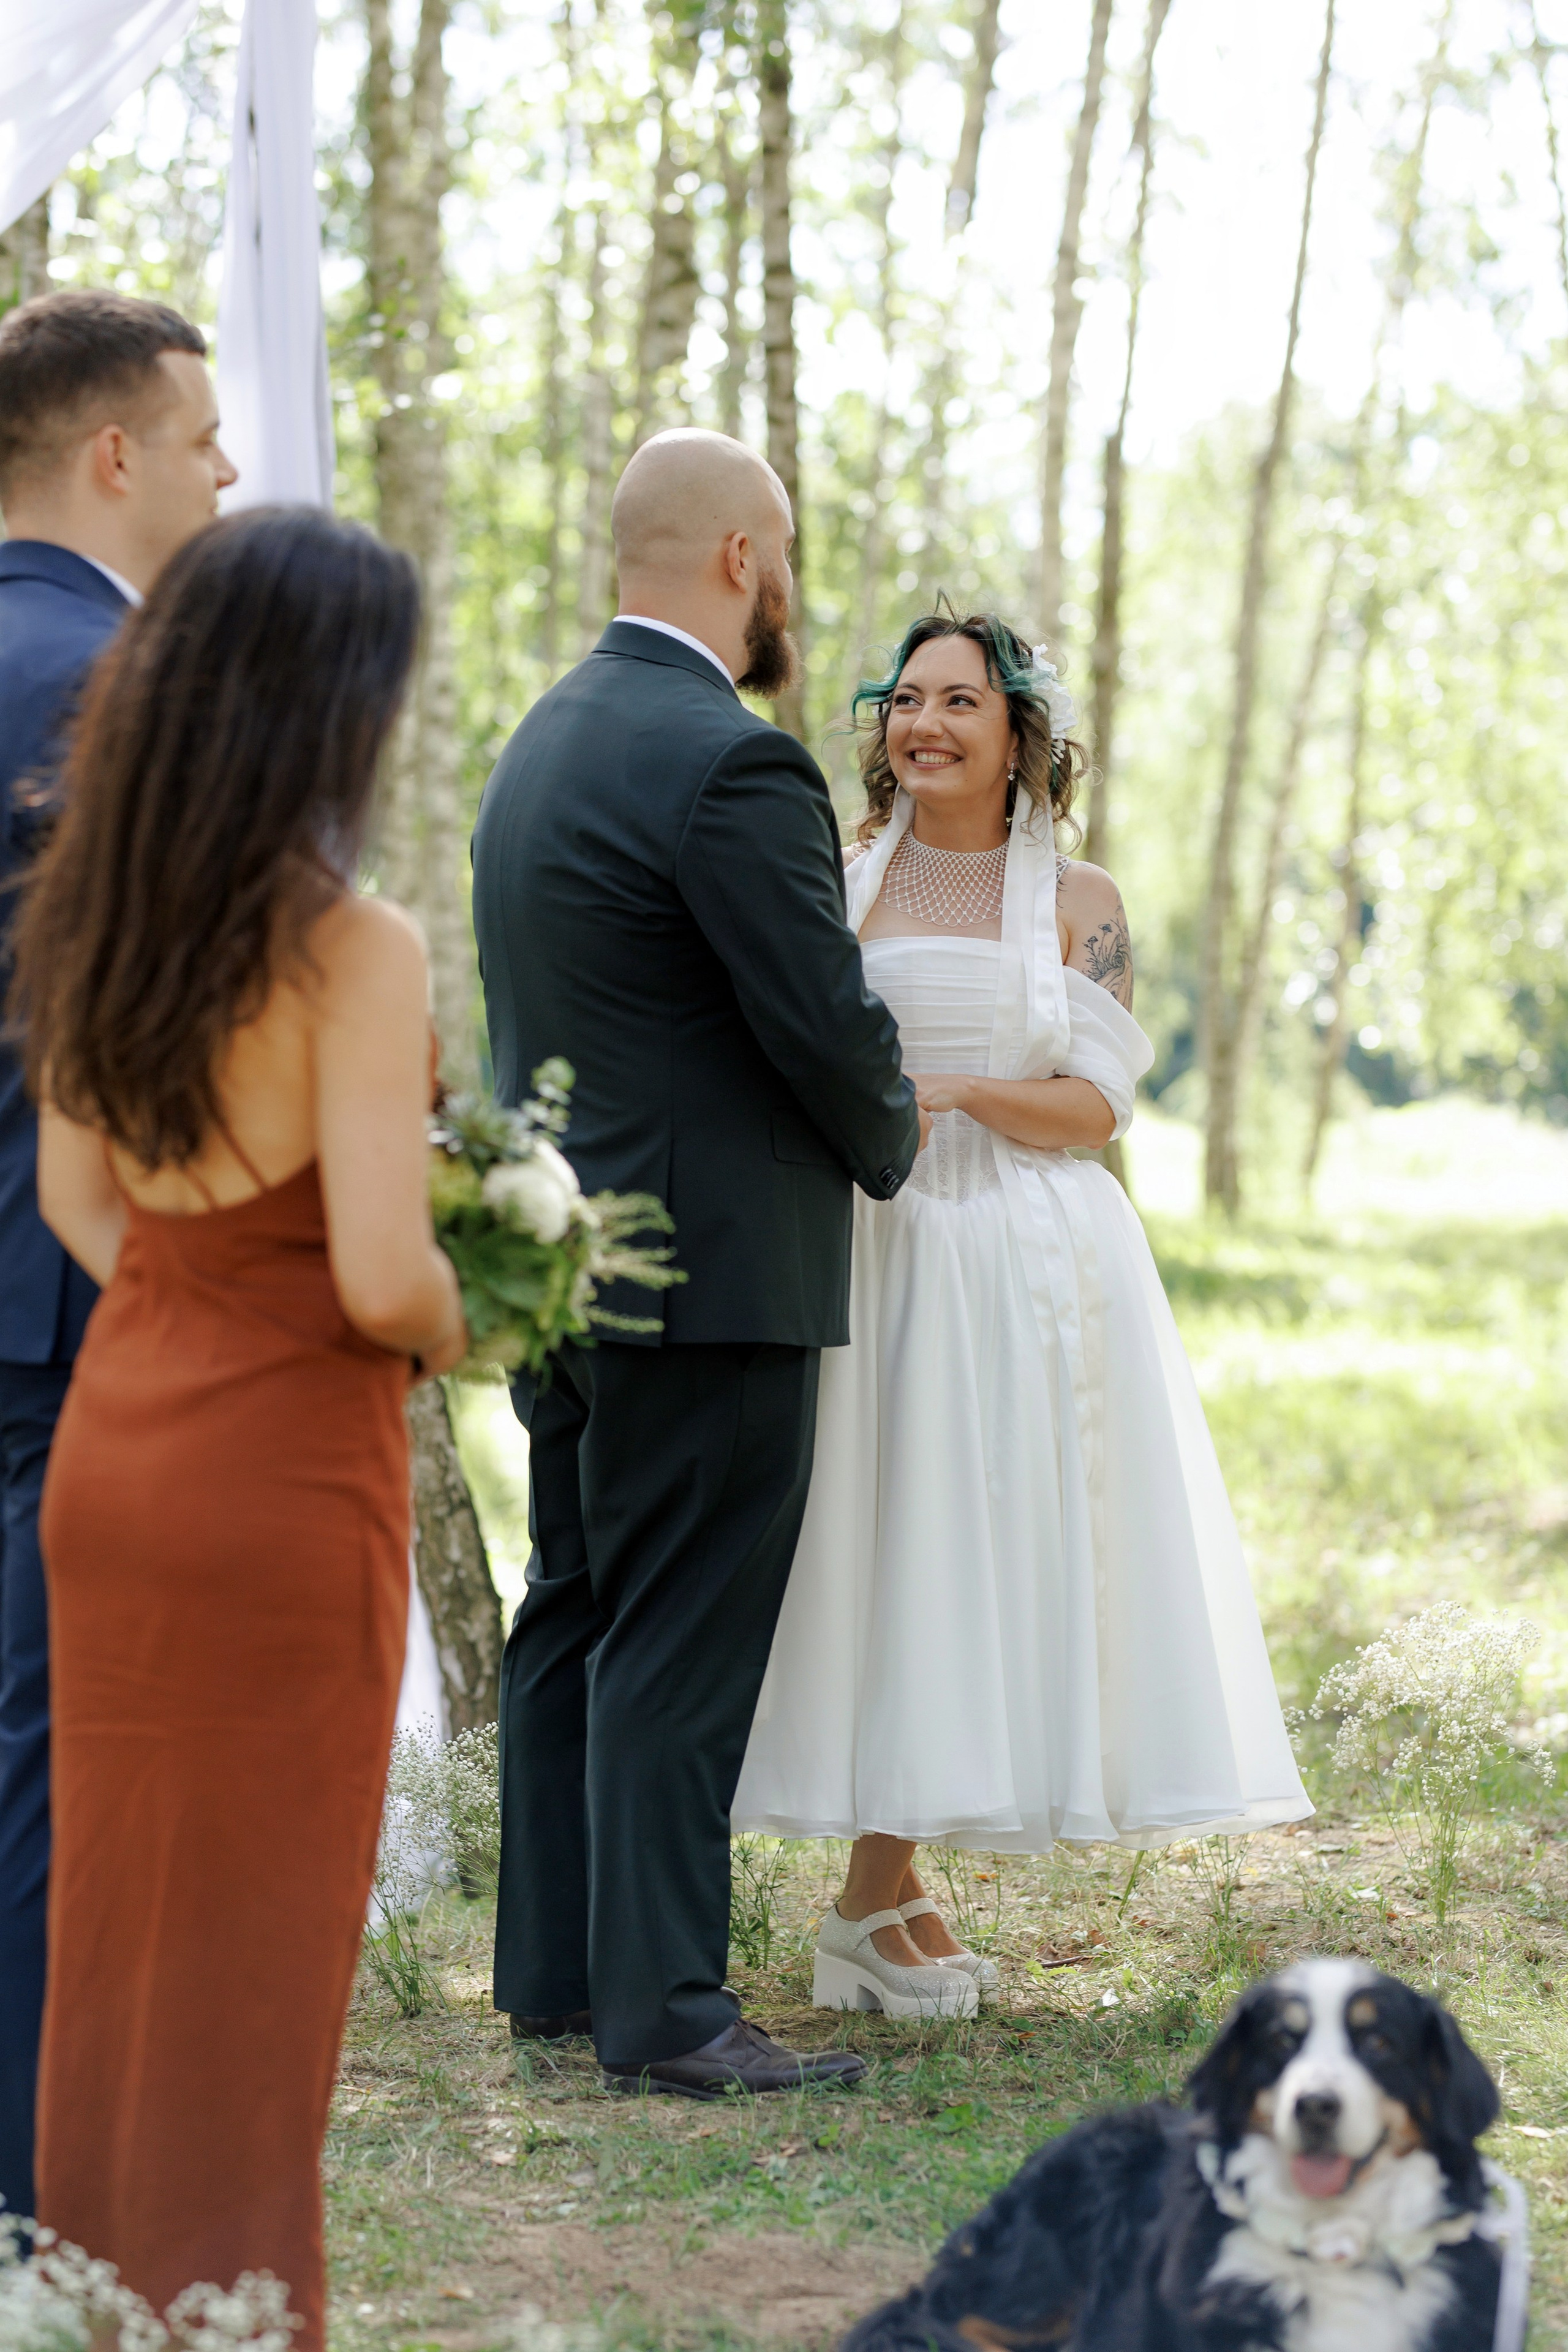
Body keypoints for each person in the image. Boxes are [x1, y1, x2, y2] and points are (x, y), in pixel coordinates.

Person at [9, 508, 466, 2342]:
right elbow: (382, 1273)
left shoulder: (89, 910)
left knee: (117, 1939)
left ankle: (94, 2307)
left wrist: (195, 1322)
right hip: (282, 1479)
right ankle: (228, 2318)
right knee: (258, 1960)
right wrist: (470, 1319)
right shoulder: (352, 946)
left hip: (121, 1450)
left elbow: (77, 1203)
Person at [732, 609, 1311, 2013]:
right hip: (874, 1246)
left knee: (975, 1551)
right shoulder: (839, 872)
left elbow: (1096, 1110)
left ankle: (879, 1893)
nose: (922, 725)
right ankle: (875, 1897)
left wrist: (956, 1090)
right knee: (887, 1553)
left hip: (1018, 1255)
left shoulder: (1079, 899)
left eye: (957, 703)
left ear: (1016, 734)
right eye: (904, 700)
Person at [472, 428, 927, 2097]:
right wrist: (896, 1138)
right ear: (743, 557)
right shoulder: (732, 762)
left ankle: (559, 1976)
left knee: (575, 1608)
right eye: (783, 557)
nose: (786, 589)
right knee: (677, 1632)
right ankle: (667, 2009)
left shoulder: (542, 741)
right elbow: (820, 1013)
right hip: (712, 1271)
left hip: (566, 1267)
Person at [0, 287, 236, 2225]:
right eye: (203, 438)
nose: (226, 472)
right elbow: (164, 1031)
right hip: (58, 1287)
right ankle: (34, 2192)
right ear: (111, 453)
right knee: (54, 1750)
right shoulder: (113, 689)